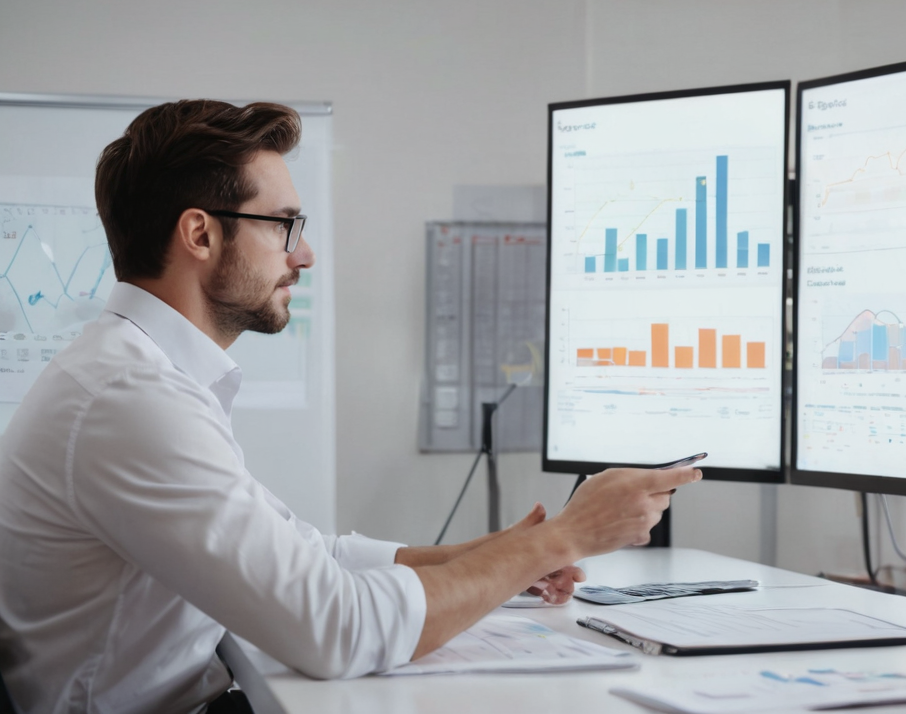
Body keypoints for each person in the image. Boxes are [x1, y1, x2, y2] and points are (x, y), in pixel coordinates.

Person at [0, 100, 702, 714]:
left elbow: (314, 554)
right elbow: (336, 628)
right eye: (283, 225)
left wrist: (494, 558)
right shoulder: (131, 401)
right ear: (201, 235)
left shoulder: (143, 376)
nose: (302, 254)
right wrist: (561, 539)